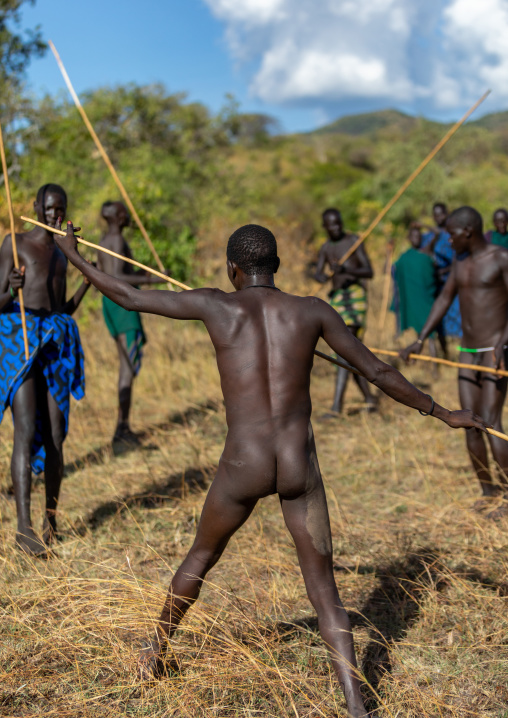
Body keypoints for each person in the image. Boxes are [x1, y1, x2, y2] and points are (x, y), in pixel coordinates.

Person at [56, 220, 487, 717]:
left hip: (245, 464)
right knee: (325, 593)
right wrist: (442, 412)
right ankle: (356, 707)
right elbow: (380, 372)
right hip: (297, 468)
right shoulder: (311, 312)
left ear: (234, 269)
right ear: (276, 265)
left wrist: (74, 255)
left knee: (200, 556)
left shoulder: (216, 304)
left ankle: (156, 651)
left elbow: (129, 297)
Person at [0, 184, 90, 556]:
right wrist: (9, 288)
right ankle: (23, 528)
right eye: (50, 208)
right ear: (36, 207)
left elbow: (62, 309)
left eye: (61, 209)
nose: (56, 215)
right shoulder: (14, 242)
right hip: (19, 340)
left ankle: (50, 520)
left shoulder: (63, 250)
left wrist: (86, 281)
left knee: (55, 434)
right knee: (24, 430)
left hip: (55, 343)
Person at [401, 206, 508, 510]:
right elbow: (444, 299)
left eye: (451, 234)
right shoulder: (462, 263)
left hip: (494, 352)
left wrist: (503, 341)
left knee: (490, 420)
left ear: (468, 232)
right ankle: (488, 491)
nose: (447, 241)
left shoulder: (501, 258)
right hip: (467, 351)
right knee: (468, 420)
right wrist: (420, 340)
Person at [98, 201, 165, 444]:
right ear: (116, 217)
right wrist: (154, 281)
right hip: (122, 307)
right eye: (124, 212)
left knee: (125, 365)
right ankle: (121, 429)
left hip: (112, 306)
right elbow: (116, 277)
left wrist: (147, 276)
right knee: (127, 367)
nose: (128, 215)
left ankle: (122, 426)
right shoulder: (115, 241)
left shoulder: (105, 241)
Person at [314, 208, 377, 414]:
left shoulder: (353, 242)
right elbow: (318, 273)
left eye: (338, 223)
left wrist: (347, 270)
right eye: (331, 224)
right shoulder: (325, 248)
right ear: (325, 227)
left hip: (355, 297)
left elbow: (369, 271)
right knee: (351, 351)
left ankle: (336, 408)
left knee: (345, 348)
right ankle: (370, 398)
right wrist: (321, 277)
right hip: (338, 298)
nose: (336, 227)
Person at [392, 224, 443, 360]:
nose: (416, 239)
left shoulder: (426, 251)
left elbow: (437, 233)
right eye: (414, 236)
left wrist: (421, 225)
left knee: (430, 333)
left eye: (419, 236)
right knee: (417, 331)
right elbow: (395, 271)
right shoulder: (404, 257)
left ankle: (435, 364)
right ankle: (414, 358)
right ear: (409, 238)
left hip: (426, 298)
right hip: (412, 299)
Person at [417, 202, 462, 346]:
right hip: (434, 283)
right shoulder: (428, 237)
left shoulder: (452, 235)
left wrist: (445, 270)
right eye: (435, 215)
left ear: (447, 214)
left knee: (458, 316)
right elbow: (423, 256)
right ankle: (444, 351)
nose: (439, 218)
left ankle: (464, 349)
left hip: (453, 282)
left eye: (441, 214)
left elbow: (459, 259)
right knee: (437, 320)